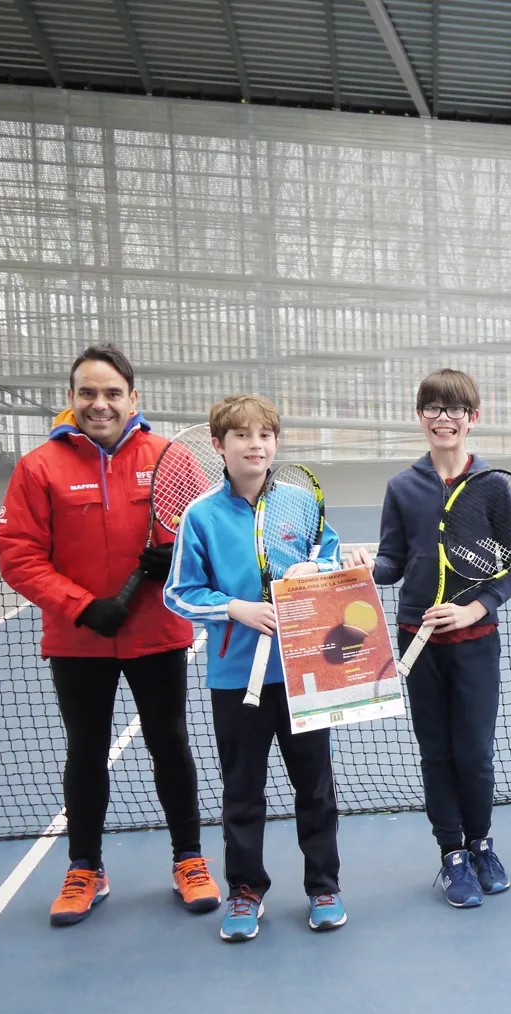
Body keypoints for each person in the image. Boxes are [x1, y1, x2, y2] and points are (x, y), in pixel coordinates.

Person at [0, 342, 220, 927]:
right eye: (88, 393)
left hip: (157, 633)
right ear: (71, 400)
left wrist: (170, 559)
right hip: (80, 640)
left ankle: (190, 859)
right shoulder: (39, 467)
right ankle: (85, 867)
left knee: (169, 742)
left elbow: (204, 539)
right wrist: (81, 606)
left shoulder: (170, 457)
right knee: (86, 750)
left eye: (112, 393)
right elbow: (18, 555)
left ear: (133, 398)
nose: (100, 404)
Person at [164, 394, 346, 941]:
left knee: (315, 787)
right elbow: (179, 593)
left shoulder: (300, 501)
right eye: (241, 436)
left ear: (276, 443)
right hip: (235, 678)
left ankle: (323, 886)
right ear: (219, 446)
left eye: (264, 435)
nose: (255, 444)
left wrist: (320, 571)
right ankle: (246, 889)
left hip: (304, 673)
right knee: (242, 790)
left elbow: (331, 558)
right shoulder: (200, 516)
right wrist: (233, 608)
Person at [349, 369, 511, 905]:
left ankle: (480, 844)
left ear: (473, 418)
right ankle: (451, 853)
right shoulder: (402, 487)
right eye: (433, 408)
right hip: (415, 641)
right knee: (436, 753)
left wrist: (476, 607)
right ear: (420, 416)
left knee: (474, 753)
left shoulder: (493, 487)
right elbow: (393, 561)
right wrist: (364, 566)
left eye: (455, 410)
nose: (443, 419)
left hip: (476, 642)